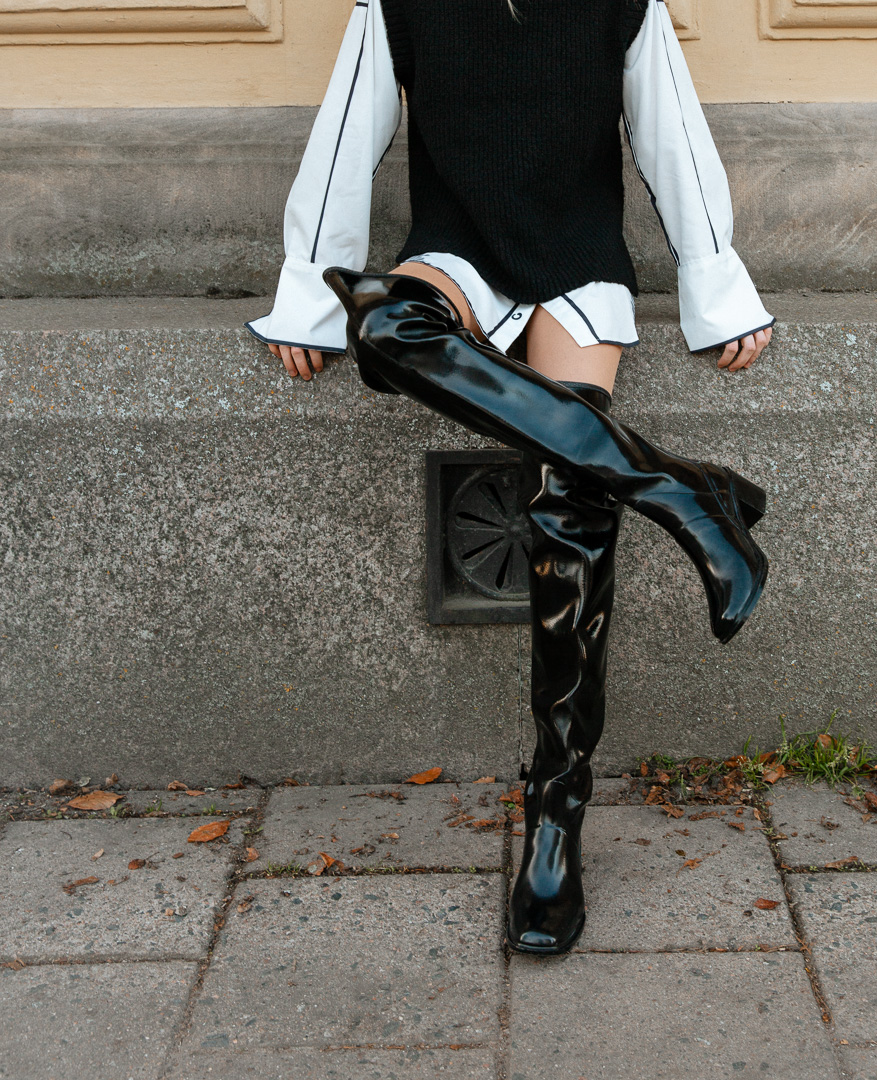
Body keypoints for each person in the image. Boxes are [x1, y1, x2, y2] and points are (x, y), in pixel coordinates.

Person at [247, 0, 774, 956]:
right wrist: (308, 291)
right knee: (382, 327)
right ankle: (682, 490)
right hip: (456, 259)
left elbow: (674, 139)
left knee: (572, 503)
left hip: (576, 261)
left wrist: (715, 281)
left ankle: (556, 820)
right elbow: (344, 134)